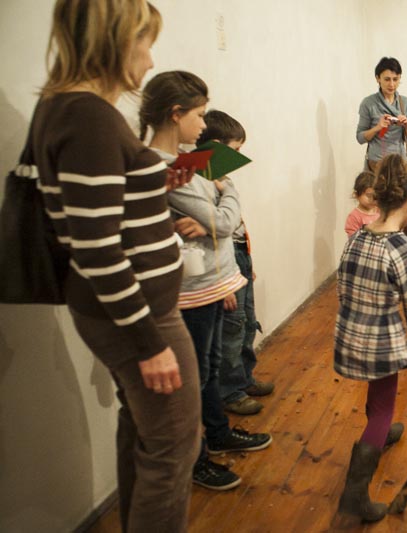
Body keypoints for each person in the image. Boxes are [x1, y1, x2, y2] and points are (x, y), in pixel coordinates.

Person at [30, 2, 200, 531]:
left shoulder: (68, 109)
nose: (150, 60)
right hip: (139, 318)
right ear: (114, 42)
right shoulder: (87, 117)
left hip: (126, 312)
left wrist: (154, 180)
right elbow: (97, 248)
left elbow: (102, 205)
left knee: (147, 435)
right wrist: (149, 343)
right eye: (145, 43)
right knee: (174, 447)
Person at [140, 71, 272, 492]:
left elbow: (214, 223)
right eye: (199, 115)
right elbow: (223, 220)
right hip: (191, 291)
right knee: (195, 377)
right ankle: (197, 459)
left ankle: (217, 434)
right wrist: (227, 188)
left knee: (210, 368)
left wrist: (216, 206)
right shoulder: (162, 167)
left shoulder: (185, 163)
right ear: (175, 113)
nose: (203, 125)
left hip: (212, 283)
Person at [333, 153, 407, 523]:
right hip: (381, 342)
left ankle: (382, 431)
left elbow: (343, 285)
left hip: (349, 334)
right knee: (385, 405)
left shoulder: (357, 237)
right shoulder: (403, 247)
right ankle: (354, 497)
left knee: (379, 393)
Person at [195, 109, 275, 416]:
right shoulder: (200, 183)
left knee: (247, 322)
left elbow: (235, 225)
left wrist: (245, 263)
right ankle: (230, 391)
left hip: (240, 256)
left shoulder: (220, 181)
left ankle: (244, 377)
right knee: (232, 327)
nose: (239, 157)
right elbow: (217, 231)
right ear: (216, 146)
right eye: (236, 149)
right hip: (224, 265)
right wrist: (224, 279)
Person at [356, 56, 407, 278]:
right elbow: (360, 137)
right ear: (377, 79)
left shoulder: (404, 102)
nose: (391, 84)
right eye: (386, 79)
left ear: (400, 79)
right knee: (380, 213)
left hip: (400, 164)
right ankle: (379, 265)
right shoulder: (368, 103)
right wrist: (377, 127)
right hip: (377, 165)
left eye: (395, 79)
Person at [344, 171, 379, 237]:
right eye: (368, 196)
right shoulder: (354, 217)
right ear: (356, 194)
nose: (372, 199)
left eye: (375, 196)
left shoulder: (380, 211)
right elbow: (353, 239)